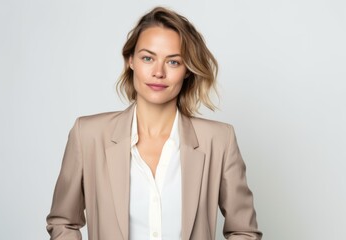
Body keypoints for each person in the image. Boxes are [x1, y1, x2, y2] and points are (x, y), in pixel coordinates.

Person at [46, 6, 262, 240]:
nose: (158, 72)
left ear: (187, 70)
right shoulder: (87, 135)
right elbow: (63, 221)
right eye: (148, 58)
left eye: (173, 62)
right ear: (131, 61)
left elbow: (243, 231)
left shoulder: (219, 141)